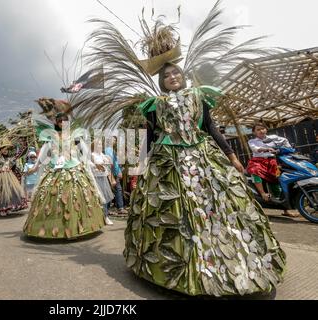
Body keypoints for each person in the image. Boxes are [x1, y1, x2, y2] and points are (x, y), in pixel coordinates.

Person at [75, 13, 285, 296]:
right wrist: (142, 164)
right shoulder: (154, 105)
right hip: (167, 164)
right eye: (167, 76)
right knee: (176, 215)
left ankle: (235, 263)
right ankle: (180, 266)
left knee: (217, 208)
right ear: (161, 81)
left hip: (203, 159)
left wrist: (233, 156)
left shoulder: (199, 97)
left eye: (176, 74)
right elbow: (149, 138)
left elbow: (211, 128)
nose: (172, 77)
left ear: (183, 77)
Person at [23, 103, 106, 240]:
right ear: (56, 123)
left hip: (73, 167)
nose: (62, 123)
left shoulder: (75, 136)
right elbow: (44, 154)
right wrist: (35, 166)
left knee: (77, 196)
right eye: (59, 121)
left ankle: (75, 228)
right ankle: (56, 229)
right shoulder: (51, 136)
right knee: (52, 197)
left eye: (64, 121)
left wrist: (95, 163)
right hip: (55, 168)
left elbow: (84, 152)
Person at [247, 122, 299, 218]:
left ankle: (286, 210)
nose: (261, 131)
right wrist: (265, 149)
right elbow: (255, 149)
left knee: (278, 180)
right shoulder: (252, 141)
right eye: (258, 129)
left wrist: (286, 148)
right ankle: (263, 194)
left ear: (266, 129)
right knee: (255, 171)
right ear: (254, 132)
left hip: (272, 162)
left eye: (262, 128)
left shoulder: (274, 137)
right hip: (258, 161)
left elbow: (285, 141)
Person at [90, 143, 115, 226]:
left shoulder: (103, 155)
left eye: (101, 145)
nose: (100, 146)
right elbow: (91, 166)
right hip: (96, 178)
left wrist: (111, 178)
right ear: (95, 146)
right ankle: (103, 217)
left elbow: (108, 167)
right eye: (99, 145)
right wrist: (96, 166)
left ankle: (105, 216)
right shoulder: (92, 155)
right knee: (100, 197)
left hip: (104, 177)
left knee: (107, 197)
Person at [105, 137, 128, 216]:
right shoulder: (108, 150)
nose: (115, 142)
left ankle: (114, 208)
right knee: (114, 190)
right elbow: (110, 164)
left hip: (114, 173)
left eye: (115, 140)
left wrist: (119, 171)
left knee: (114, 190)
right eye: (114, 140)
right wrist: (113, 175)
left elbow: (116, 163)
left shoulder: (112, 150)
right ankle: (118, 208)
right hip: (112, 173)